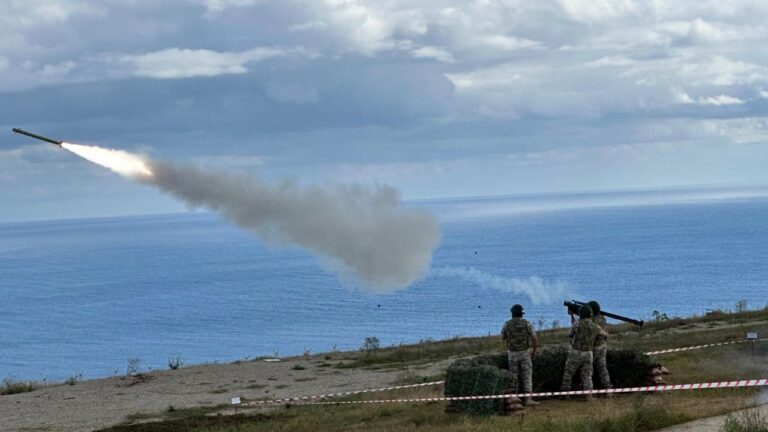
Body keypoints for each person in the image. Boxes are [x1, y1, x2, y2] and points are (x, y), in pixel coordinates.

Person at [561, 304, 607, 399]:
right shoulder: (595, 326)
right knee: (587, 375)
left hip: (576, 352)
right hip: (589, 353)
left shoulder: (577, 323)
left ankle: (565, 394)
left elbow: (570, 334)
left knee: (569, 373)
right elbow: (604, 334)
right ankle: (589, 395)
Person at [501, 304, 539, 406]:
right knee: (527, 376)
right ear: (521, 314)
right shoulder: (526, 323)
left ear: (512, 314)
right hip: (525, 353)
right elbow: (534, 337)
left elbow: (503, 337)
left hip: (512, 354)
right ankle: (528, 399)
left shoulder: (507, 324)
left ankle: (515, 399)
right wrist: (534, 350)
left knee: (514, 377)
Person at [588, 300, 612, 390]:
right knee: (603, 368)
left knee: (588, 368)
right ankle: (607, 387)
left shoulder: (591, 320)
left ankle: (588, 388)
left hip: (594, 346)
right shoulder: (602, 318)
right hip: (603, 345)